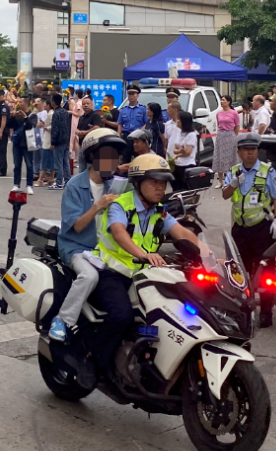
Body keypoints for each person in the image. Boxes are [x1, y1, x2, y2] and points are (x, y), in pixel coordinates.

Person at [86, 154, 203, 378]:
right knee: (121, 315)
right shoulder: (120, 204)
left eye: (163, 183)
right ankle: (93, 362)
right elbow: (119, 232)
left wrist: (210, 256)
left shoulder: (159, 210)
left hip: (143, 275)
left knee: (171, 313)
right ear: (138, 183)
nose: (160, 188)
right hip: (112, 271)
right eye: (154, 182)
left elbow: (182, 233)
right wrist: (144, 255)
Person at [49, 128, 128, 343]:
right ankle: (63, 319)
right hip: (76, 247)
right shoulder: (75, 185)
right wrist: (98, 206)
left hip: (104, 249)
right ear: (92, 157)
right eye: (107, 156)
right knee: (89, 275)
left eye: (115, 157)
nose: (112, 162)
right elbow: (77, 226)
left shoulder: (114, 185)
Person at [222, 133, 276, 328]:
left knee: (265, 271)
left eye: (254, 149)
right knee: (240, 271)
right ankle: (243, 309)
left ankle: (266, 313)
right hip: (240, 230)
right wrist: (233, 184)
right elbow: (225, 195)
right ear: (239, 152)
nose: (250, 153)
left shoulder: (267, 171)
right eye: (246, 150)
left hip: (261, 229)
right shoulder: (233, 171)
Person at [212, 95, 241, 188]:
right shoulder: (218, 113)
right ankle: (220, 181)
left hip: (230, 135)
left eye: (223, 100)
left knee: (231, 157)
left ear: (229, 102)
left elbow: (237, 126)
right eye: (221, 100)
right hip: (221, 135)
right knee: (220, 157)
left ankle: (232, 179)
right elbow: (218, 124)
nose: (221, 102)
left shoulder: (234, 113)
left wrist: (234, 136)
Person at [10, 97, 36, 194]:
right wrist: (12, 117)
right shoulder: (17, 114)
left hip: (28, 143)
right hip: (17, 143)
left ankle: (29, 185)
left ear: (26, 103)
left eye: (21, 102)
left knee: (29, 165)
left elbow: (30, 126)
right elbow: (10, 125)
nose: (19, 103)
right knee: (17, 165)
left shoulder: (33, 115)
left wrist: (25, 117)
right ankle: (16, 184)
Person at [170, 111, 199, 190]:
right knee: (176, 186)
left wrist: (177, 154)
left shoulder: (191, 135)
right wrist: (180, 151)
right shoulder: (179, 133)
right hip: (178, 164)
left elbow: (188, 152)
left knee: (185, 188)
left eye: (178, 119)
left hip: (187, 164)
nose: (177, 121)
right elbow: (174, 149)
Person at [76, 95, 104, 173]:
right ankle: (82, 181)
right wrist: (78, 132)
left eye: (88, 103)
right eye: (84, 104)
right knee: (81, 168)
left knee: (90, 168)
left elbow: (96, 128)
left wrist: (83, 133)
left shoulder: (95, 116)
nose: (86, 105)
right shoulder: (81, 117)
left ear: (92, 105)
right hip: (82, 145)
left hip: (91, 146)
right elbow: (77, 128)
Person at [49, 93, 71, 190]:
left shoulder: (56, 114)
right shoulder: (65, 112)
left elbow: (55, 129)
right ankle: (67, 181)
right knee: (66, 162)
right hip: (66, 140)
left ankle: (59, 182)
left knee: (58, 163)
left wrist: (53, 142)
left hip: (58, 141)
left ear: (53, 102)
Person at [37, 97, 55, 187]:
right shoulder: (49, 114)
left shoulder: (51, 114)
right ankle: (51, 178)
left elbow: (53, 127)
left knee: (45, 161)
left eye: (44, 104)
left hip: (48, 140)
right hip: (48, 139)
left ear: (48, 105)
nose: (43, 105)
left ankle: (40, 180)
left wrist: (45, 127)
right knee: (51, 161)